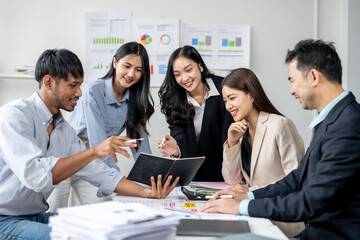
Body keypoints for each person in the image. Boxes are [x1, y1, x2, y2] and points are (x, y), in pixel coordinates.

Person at [0, 48, 178, 240]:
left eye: (80, 85)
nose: (79, 93)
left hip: (36, 216)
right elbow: (36, 176)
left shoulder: (63, 129)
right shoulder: (14, 115)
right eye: (73, 85)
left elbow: (101, 173)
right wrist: (93, 152)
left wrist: (147, 191)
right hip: (6, 219)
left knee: (107, 229)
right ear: (49, 82)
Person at [201, 39, 360, 239]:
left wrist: (243, 206)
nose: (291, 90)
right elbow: (298, 177)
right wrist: (248, 195)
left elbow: (311, 200)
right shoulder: (332, 119)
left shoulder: (348, 123)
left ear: (313, 76)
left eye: (292, 80)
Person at [47, 42, 155, 211]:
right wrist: (119, 180)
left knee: (106, 212)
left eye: (139, 70)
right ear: (115, 63)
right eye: (126, 66)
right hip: (66, 155)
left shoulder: (136, 100)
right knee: (54, 214)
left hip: (93, 160)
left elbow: (140, 143)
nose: (131, 74)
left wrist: (151, 177)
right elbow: (99, 142)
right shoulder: (93, 91)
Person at [221, 68, 305, 238]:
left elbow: (296, 181)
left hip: (282, 221)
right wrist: (232, 143)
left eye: (232, 98)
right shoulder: (241, 131)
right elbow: (232, 180)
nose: (228, 106)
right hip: (256, 217)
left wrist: (249, 194)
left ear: (251, 95)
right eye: (225, 100)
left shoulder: (280, 125)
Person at [158, 45, 234, 181]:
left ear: (200, 66)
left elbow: (228, 137)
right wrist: (176, 150)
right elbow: (178, 135)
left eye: (188, 70)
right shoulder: (172, 98)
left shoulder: (225, 88)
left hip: (225, 172)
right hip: (191, 175)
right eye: (177, 74)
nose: (184, 78)